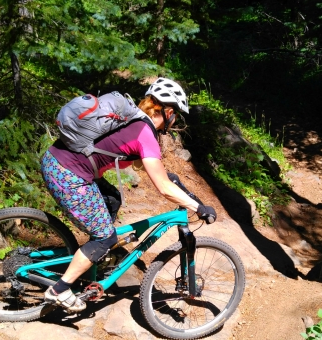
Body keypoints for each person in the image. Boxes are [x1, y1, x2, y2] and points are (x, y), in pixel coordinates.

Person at [40, 77, 217, 312]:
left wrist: (176, 183)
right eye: (175, 116)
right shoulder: (145, 133)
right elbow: (163, 188)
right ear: (168, 112)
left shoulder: (134, 121)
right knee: (105, 238)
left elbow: (152, 169)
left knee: (112, 198)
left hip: (58, 161)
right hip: (67, 174)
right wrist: (198, 207)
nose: (174, 122)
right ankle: (59, 289)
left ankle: (94, 257)